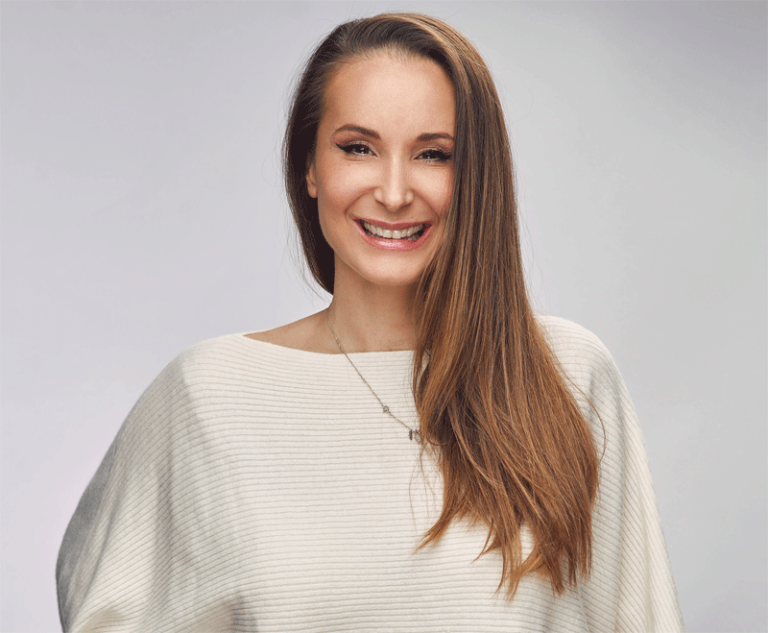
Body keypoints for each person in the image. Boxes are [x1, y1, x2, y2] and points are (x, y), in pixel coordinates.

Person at [56, 13, 685, 632]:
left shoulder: (566, 375)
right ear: (309, 167)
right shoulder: (209, 395)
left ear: (476, 178)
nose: (393, 192)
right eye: (358, 148)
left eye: (433, 155)